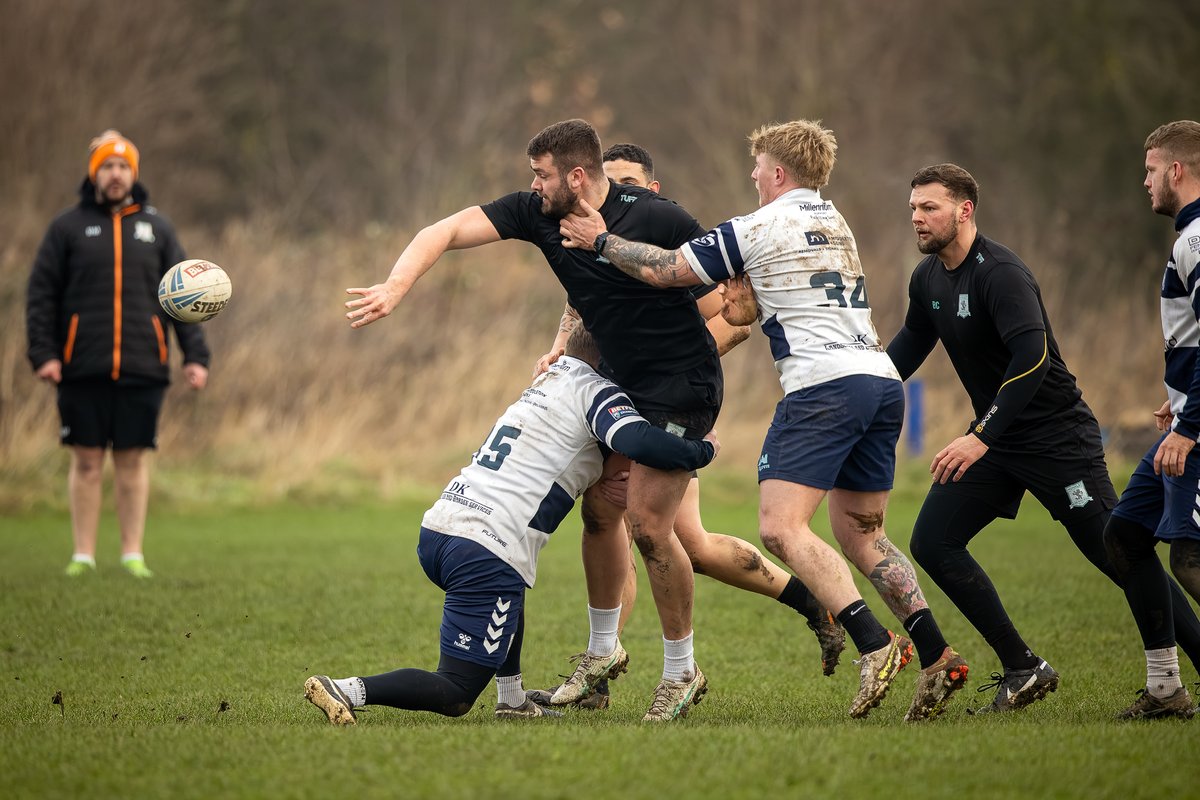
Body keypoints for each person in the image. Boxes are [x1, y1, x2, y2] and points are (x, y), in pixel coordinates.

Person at [559, 120, 966, 721]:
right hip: (879, 380)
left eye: (757, 167)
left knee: (781, 529)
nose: (751, 176)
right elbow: (753, 300)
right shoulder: (833, 220)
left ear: (778, 172)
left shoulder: (761, 224)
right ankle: (937, 656)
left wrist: (600, 241)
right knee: (862, 533)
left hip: (822, 388)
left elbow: (670, 270)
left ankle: (874, 645)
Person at [346, 119, 722, 722]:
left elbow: (721, 299)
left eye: (541, 174)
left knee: (653, 529)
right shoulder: (536, 213)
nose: (532, 185)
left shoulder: (659, 217)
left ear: (576, 176)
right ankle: (599, 659)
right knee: (601, 514)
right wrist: (395, 287)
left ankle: (681, 671)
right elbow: (443, 230)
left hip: (680, 389)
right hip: (614, 382)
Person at [530, 143, 844, 712]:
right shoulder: (585, 237)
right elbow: (584, 311)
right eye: (606, 182)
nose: (606, 196)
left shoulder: (667, 240)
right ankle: (601, 668)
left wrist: (680, 389)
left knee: (662, 535)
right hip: (615, 402)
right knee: (618, 520)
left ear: (647, 192)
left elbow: (734, 317)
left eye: (625, 184)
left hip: (667, 405)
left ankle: (806, 609)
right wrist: (560, 350)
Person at [887, 162, 1200, 714]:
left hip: (1056, 439)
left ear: (965, 210)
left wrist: (980, 435)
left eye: (928, 207)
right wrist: (859, 390)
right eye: (913, 207)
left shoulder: (1001, 273)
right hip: (997, 439)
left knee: (1117, 553)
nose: (916, 217)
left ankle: (1172, 683)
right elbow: (909, 346)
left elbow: (1031, 361)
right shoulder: (928, 278)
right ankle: (1023, 667)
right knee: (932, 540)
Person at [304, 327, 718, 725]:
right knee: (456, 690)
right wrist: (702, 448)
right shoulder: (597, 393)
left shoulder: (546, 379)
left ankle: (513, 699)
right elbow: (640, 443)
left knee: (512, 582)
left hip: (440, 528)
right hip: (484, 551)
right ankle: (347, 689)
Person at [25, 130, 210, 578]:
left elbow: (185, 298)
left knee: (132, 461)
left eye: (123, 166)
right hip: (80, 365)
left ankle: (132, 555)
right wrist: (44, 353)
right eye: (107, 166)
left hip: (143, 365)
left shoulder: (158, 229)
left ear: (133, 173)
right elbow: (41, 296)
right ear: (94, 174)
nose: (115, 174)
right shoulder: (66, 228)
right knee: (86, 461)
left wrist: (195, 356)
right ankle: (83, 555)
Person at [1103, 120, 1200, 720]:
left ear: (1178, 171)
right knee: (1126, 535)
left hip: (1194, 433)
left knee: (1189, 558)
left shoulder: (1196, 239)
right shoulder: (1187, 238)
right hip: (1186, 419)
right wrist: (1180, 398)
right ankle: (1165, 690)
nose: (1145, 182)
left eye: (1150, 169)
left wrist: (1191, 427)